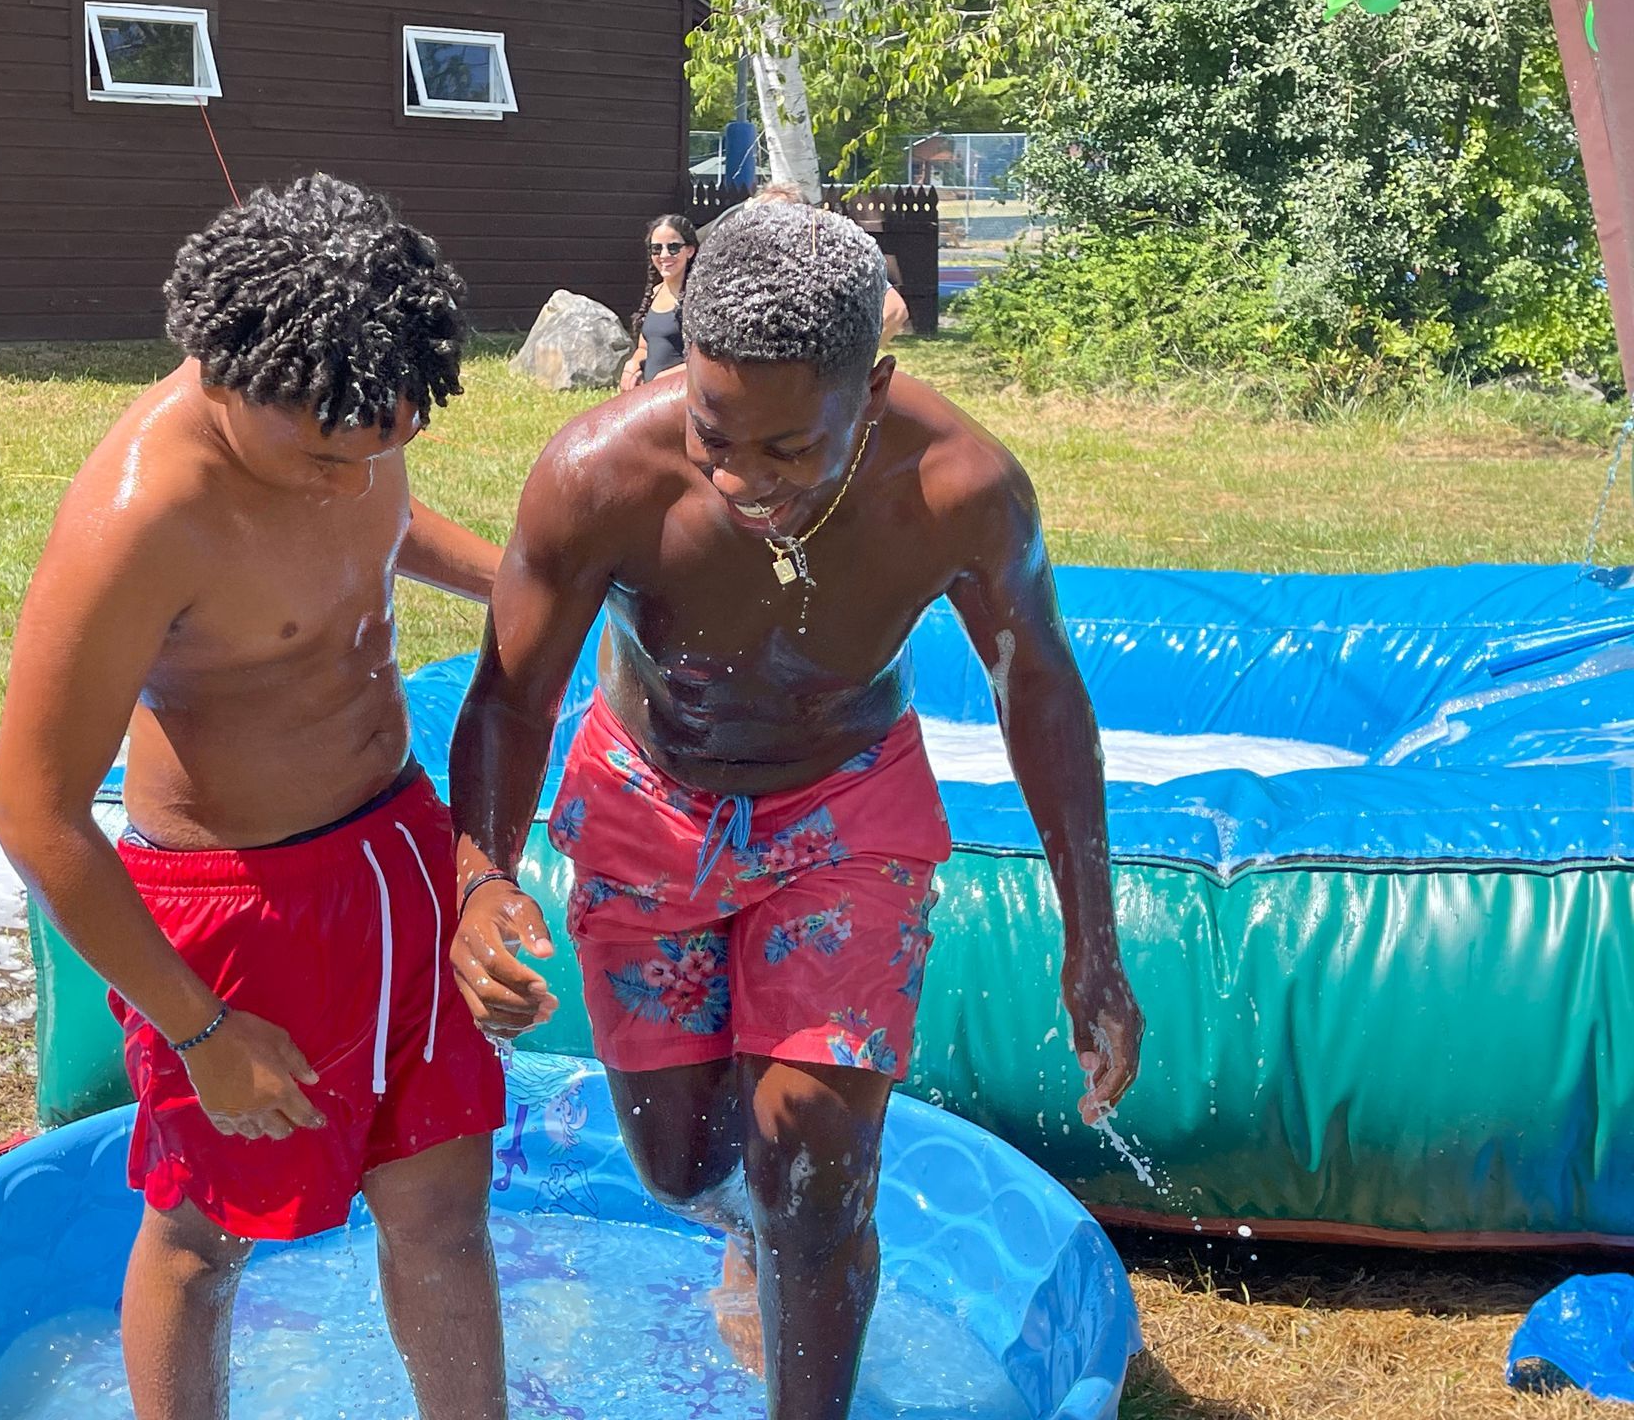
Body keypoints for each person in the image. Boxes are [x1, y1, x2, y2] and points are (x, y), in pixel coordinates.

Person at [446, 201, 1143, 1417]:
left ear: (870, 389)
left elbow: (1040, 691)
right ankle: (749, 1223)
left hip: (845, 814)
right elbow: (510, 699)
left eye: (787, 449)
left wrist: (1093, 937)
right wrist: (480, 878)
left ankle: (800, 1283)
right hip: (649, 806)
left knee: (814, 1184)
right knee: (681, 1170)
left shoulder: (959, 489)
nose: (741, 479)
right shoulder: (600, 473)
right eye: (716, 433)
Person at [0, 175, 509, 1420]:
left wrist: (521, 583)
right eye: (326, 457)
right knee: (203, 1239)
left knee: (443, 1212)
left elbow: (378, 517)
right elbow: (35, 815)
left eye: (385, 445)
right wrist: (200, 1030)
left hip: (396, 848)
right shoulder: (143, 519)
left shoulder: (347, 403)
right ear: (224, 372)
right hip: (236, 916)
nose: (354, 482)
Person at [720, 181, 910, 343]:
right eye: (763, 221)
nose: (773, 230)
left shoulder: (832, 264)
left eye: (782, 221)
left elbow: (895, 311)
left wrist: (854, 361)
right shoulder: (739, 266)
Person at [619, 213, 699, 390]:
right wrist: (633, 363)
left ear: (690, 251)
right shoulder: (654, 293)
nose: (664, 255)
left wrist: (667, 377)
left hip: (682, 396)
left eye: (673, 247)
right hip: (651, 396)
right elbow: (644, 347)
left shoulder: (698, 298)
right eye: (656, 248)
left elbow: (706, 359)